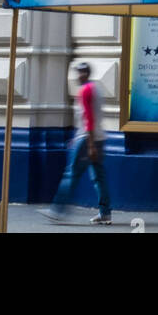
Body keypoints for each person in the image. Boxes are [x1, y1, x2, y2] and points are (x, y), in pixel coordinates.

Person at [42, 61, 111, 225]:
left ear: (85, 74)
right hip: (97, 137)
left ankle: (57, 211)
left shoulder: (85, 90)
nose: (78, 76)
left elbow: (89, 117)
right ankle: (105, 213)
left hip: (88, 139)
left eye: (80, 73)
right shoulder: (96, 89)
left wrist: (90, 143)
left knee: (71, 174)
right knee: (99, 177)